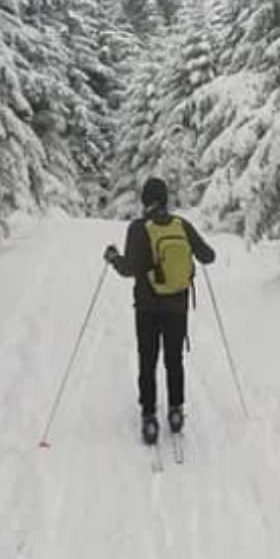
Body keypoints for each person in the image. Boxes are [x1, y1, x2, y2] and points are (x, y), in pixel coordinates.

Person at [104, 177, 216, 445]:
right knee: (174, 360)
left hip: (147, 307)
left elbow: (129, 269)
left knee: (148, 360)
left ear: (144, 201)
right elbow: (208, 256)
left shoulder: (138, 228)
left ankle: (149, 417)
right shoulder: (182, 225)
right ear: (166, 199)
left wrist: (112, 258)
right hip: (177, 307)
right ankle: (176, 412)